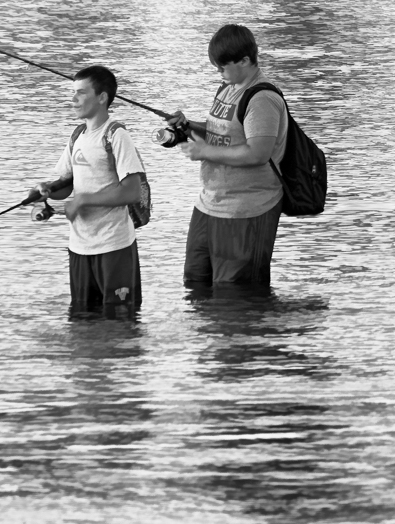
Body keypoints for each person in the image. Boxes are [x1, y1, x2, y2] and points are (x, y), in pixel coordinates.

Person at [168, 24, 288, 288]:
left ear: (245, 60)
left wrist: (203, 151)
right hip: (209, 205)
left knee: (236, 297)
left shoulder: (262, 98)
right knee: (195, 284)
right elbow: (220, 133)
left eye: (222, 66)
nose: (218, 72)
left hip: (247, 210)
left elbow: (257, 153)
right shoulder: (227, 87)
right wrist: (187, 127)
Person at [29, 65, 149, 313]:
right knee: (82, 320)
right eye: (73, 92)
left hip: (114, 247)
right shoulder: (77, 136)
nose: (73, 99)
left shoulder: (116, 135)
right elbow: (68, 183)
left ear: (102, 97)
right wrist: (47, 189)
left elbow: (131, 192)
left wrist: (83, 201)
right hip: (79, 247)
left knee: (120, 322)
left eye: (81, 93)